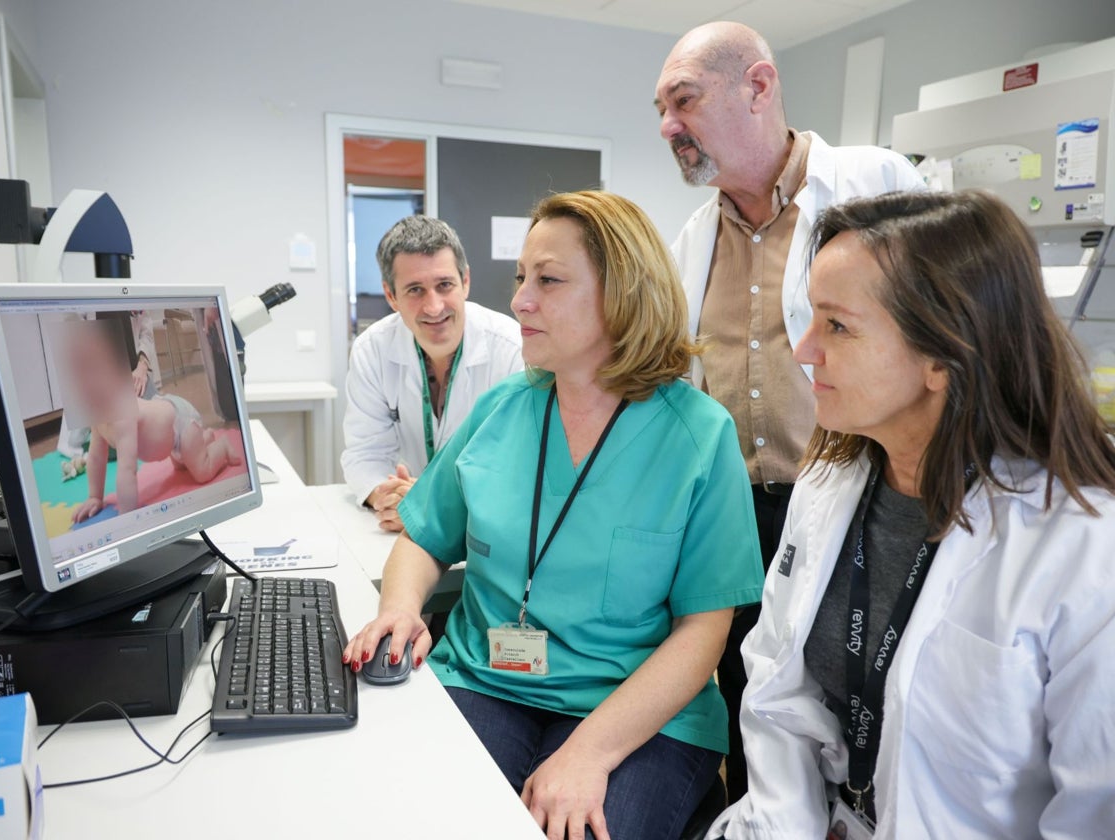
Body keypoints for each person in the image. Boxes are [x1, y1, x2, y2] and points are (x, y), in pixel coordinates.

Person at [344, 191, 763, 840]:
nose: (519, 302)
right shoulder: (505, 407)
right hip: (486, 676)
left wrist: (590, 752)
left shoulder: (698, 436)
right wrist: (399, 607)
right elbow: (424, 539)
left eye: (548, 281)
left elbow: (703, 630)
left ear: (621, 294)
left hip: (627, 703)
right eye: (520, 279)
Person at [710, 190, 1115, 838]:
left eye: (837, 326)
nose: (804, 349)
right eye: (810, 318)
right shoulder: (830, 484)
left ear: (942, 357)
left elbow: (1095, 810)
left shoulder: (1083, 546)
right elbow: (777, 686)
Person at [653, 20, 926, 801]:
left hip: (858, 497)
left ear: (759, 86)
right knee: (754, 691)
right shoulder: (695, 236)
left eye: (685, 100)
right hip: (738, 508)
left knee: (857, 695)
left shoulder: (873, 183)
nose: (670, 125)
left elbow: (946, 324)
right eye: (661, 110)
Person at [341, 215, 522, 531]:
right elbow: (364, 453)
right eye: (415, 290)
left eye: (444, 285)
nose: (434, 307)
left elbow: (517, 467)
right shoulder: (372, 349)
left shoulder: (511, 348)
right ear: (390, 295)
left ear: (465, 282)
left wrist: (428, 505)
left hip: (483, 527)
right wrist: (384, 496)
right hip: (401, 526)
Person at [63, 318, 241, 523]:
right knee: (182, 467)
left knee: (202, 471)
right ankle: (205, 438)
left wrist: (126, 520)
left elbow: (128, 470)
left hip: (180, 422)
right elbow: (96, 457)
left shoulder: (123, 414)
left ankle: (223, 446)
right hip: (166, 429)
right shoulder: (98, 415)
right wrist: (95, 497)